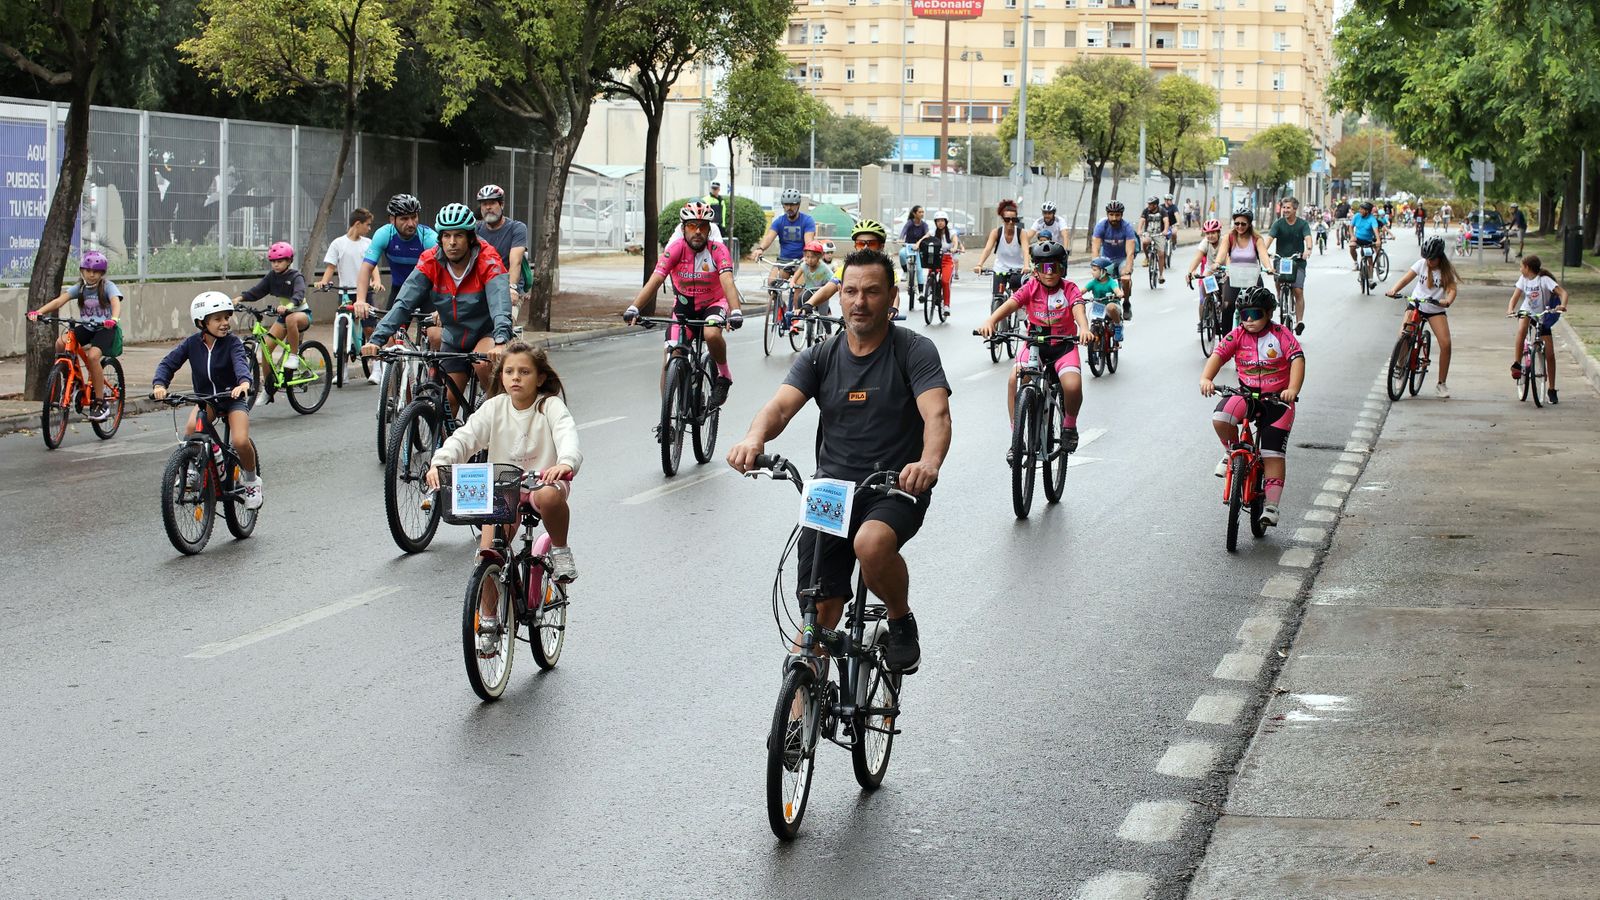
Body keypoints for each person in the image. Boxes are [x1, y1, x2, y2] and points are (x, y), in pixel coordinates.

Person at [727, 248, 952, 674]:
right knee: (818, 613)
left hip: (895, 486)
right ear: (840, 295)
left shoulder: (914, 351)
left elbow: (936, 414)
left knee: (870, 544)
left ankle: (901, 619)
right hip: (831, 491)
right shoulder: (820, 356)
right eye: (850, 291)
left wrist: (928, 463)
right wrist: (754, 437)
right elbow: (779, 408)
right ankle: (797, 728)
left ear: (891, 297)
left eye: (871, 291)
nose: (859, 301)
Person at [425, 341, 581, 651]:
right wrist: (440, 461)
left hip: (543, 481)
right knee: (488, 552)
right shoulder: (494, 407)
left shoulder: (549, 406)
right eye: (509, 371)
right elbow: (465, 438)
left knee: (550, 499)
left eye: (524, 372)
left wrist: (565, 463)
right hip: (502, 488)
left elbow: (567, 435)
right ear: (501, 375)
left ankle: (561, 550)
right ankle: (489, 621)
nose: (516, 378)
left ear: (539, 377)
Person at [361, 203, 515, 399]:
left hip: (486, 332)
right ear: (440, 238)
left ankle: (496, 411)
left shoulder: (488, 259)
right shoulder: (430, 260)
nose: (452, 242)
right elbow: (404, 303)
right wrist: (377, 338)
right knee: (448, 404)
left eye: (458, 235)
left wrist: (501, 341)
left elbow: (500, 303)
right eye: (446, 236)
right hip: (454, 336)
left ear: (470, 238)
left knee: (483, 364)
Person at [1199, 285, 1305, 528]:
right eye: (1244, 315)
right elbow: (1218, 355)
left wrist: (1293, 390)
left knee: (1272, 453)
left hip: (1278, 401)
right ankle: (1230, 452)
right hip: (1246, 395)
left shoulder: (1281, 334)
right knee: (1221, 417)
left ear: (1268, 313)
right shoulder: (1237, 334)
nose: (1248, 320)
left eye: (1255, 314)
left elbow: (1297, 359)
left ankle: (1271, 506)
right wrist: (1206, 379)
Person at [623, 201, 744, 407]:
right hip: (684, 306)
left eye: (703, 226)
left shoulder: (718, 250)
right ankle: (668, 417)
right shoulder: (675, 249)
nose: (697, 231)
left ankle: (724, 376)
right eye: (691, 226)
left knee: (711, 333)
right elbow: (656, 279)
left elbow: (727, 281)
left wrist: (736, 312)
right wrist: (634, 308)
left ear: (709, 229)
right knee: (671, 354)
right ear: (683, 228)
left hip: (713, 303)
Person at [977, 239, 1091, 453]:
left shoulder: (1069, 289)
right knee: (1014, 379)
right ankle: (1016, 438)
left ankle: (1069, 426)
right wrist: (990, 321)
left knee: (1073, 386)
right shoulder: (1031, 287)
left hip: (1063, 346)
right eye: (1042, 267)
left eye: (1054, 267)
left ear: (1062, 268)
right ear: (1036, 270)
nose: (1048, 273)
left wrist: (1084, 328)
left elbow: (1078, 308)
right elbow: (1012, 303)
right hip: (1035, 346)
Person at [151, 291, 261, 509]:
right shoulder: (191, 344)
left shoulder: (233, 343)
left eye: (227, 318)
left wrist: (244, 383)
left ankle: (251, 481)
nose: (224, 323)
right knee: (193, 429)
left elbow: (240, 364)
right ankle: (191, 470)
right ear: (202, 322)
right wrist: (159, 385)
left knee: (239, 441)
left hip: (232, 397)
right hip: (207, 400)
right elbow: (168, 363)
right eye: (218, 319)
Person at [27, 250, 121, 420]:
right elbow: (59, 301)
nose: (92, 275)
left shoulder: (108, 286)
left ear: (102, 273)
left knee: (93, 357)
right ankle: (72, 378)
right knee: (61, 343)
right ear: (82, 271)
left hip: (105, 328)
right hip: (87, 326)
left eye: (96, 272)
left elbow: (115, 302)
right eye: (88, 270)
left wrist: (113, 318)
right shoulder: (80, 288)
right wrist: (38, 312)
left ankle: (100, 403)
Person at [357, 193, 441, 350]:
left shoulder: (428, 238)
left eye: (414, 217)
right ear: (392, 219)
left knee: (435, 336)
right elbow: (366, 268)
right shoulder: (384, 235)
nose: (411, 223)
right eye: (404, 218)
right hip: (401, 290)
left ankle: (434, 373)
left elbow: (446, 271)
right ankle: (394, 372)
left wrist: (443, 307)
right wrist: (361, 300)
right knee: (389, 339)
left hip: (429, 292)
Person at [1384, 236, 1458, 399]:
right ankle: (1400, 370)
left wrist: (1447, 301)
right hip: (1416, 304)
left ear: (1440, 257)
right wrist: (1394, 290)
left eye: (1432, 259)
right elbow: (1405, 279)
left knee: (1446, 344)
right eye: (1427, 258)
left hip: (1435, 308)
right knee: (1403, 336)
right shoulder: (1421, 264)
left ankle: (1441, 384)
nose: (1429, 262)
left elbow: (1452, 290)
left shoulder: (1446, 271)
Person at [316, 208, 385, 382]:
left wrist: (376, 281)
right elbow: (331, 267)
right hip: (345, 293)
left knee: (370, 328)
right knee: (342, 329)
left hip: (363, 293)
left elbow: (373, 266)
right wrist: (324, 282)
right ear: (357, 224)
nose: (369, 228)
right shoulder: (338, 244)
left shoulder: (368, 243)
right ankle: (342, 370)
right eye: (367, 225)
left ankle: (377, 367)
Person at [234, 241, 309, 386]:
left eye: (280, 261)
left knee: (291, 319)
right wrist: (240, 298)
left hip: (301, 313)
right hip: (284, 316)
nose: (276, 264)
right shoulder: (272, 277)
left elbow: (299, 294)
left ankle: (294, 355)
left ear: (289, 261)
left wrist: (289, 305)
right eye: (273, 261)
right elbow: (258, 290)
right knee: (266, 348)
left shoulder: (296, 276)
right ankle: (269, 386)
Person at [1505, 254, 1570, 404]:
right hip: (1527, 311)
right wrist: (1510, 309)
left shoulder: (1544, 280)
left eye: (1521, 266)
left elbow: (1563, 293)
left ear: (1527, 268)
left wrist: (1562, 306)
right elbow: (1515, 296)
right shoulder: (1523, 279)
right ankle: (1517, 363)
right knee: (1521, 329)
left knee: (1550, 354)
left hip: (1543, 315)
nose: (1520, 269)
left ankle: (1552, 389)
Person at [1214, 207, 1271, 326]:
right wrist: (1217, 263)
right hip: (1234, 277)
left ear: (1249, 224)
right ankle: (1226, 341)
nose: (1239, 226)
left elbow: (1263, 255)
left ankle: (1260, 337)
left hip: (1253, 277)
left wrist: (1269, 267)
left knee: (1259, 307)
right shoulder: (1228, 238)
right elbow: (1222, 253)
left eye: (1243, 224)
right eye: (1237, 223)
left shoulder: (1257, 239)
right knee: (1227, 306)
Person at [475, 184, 529, 307]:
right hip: (482, 289)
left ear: (502, 205)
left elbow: (515, 263)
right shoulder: (475, 230)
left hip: (508, 287)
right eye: (484, 204)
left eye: (492, 203)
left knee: (505, 322)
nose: (488, 207)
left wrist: (511, 288)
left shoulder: (517, 228)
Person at [749, 188, 816, 284]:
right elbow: (769, 237)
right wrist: (760, 249)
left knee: (798, 289)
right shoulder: (779, 221)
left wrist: (807, 256)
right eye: (786, 204)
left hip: (801, 261)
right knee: (771, 283)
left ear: (798, 205)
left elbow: (809, 242)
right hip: (783, 261)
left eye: (792, 204)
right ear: (783, 205)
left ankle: (795, 298)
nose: (789, 208)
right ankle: (775, 299)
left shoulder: (807, 220)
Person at [1266, 196, 1313, 334]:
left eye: (1288, 208)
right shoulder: (1278, 224)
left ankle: (1299, 322)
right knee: (1278, 279)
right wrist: (1263, 251)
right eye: (1284, 207)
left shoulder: (1303, 224)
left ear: (1295, 209)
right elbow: (1268, 239)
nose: (1285, 210)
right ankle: (1280, 295)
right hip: (1281, 260)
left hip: (1297, 262)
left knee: (1298, 290)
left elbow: (1308, 238)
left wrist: (1308, 250)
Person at [972, 199, 1028, 308]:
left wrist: (1026, 266)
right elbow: (988, 249)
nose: (1011, 222)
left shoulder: (1021, 233)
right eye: (1007, 219)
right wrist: (980, 264)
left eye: (1014, 219)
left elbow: (1026, 250)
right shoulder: (996, 232)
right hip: (1000, 269)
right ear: (1002, 220)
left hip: (1018, 269)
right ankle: (996, 317)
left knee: (1018, 295)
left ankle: (1020, 308)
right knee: (997, 295)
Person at [1091, 200, 1140, 312]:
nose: (1114, 218)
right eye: (1111, 215)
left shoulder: (1126, 227)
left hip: (1122, 258)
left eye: (1117, 215)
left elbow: (1130, 252)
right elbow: (1095, 248)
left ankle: (1126, 302)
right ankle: (1098, 313)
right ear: (1107, 214)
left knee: (1125, 279)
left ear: (1121, 215)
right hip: (1107, 259)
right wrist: (1095, 267)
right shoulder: (1101, 226)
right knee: (1099, 281)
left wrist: (1127, 271)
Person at [916, 211, 961, 315]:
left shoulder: (951, 232)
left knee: (945, 281)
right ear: (935, 222)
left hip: (946, 260)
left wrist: (954, 248)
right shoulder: (932, 232)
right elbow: (923, 239)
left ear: (946, 221)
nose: (940, 223)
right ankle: (930, 287)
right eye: (938, 221)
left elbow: (955, 242)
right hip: (935, 258)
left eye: (942, 220)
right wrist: (918, 244)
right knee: (931, 273)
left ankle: (946, 305)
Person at [1185, 218, 1225, 327]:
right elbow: (1197, 258)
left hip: (1224, 271)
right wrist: (1190, 272)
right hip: (1210, 271)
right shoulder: (1205, 242)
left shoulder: (1224, 241)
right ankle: (1203, 320)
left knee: (1225, 299)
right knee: (1204, 295)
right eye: (1208, 233)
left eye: (1213, 232)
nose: (1210, 236)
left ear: (1218, 232)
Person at [789, 241, 835, 332]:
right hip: (809, 291)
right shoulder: (804, 266)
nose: (809, 260)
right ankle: (801, 320)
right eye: (807, 257)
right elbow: (795, 276)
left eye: (813, 257)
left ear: (819, 257)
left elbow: (833, 279)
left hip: (821, 292)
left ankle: (829, 333)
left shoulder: (824, 268)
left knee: (823, 315)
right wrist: (793, 282)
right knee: (801, 297)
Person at [1080, 255, 1125, 343]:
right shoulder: (1093, 283)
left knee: (1110, 306)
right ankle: (1095, 342)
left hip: (1112, 306)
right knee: (1095, 323)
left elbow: (1117, 290)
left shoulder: (1111, 282)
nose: (1092, 272)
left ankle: (1118, 326)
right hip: (1099, 306)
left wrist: (1119, 294)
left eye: (1095, 270)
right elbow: (1082, 291)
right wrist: (1074, 295)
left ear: (1104, 271)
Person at [1348, 201, 1383, 286]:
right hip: (1357, 239)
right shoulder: (1357, 216)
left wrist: (1378, 240)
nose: (1359, 210)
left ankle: (1370, 280)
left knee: (1370, 260)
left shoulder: (1372, 219)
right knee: (1352, 246)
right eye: (1359, 209)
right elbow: (1351, 227)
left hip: (1367, 241)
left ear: (1367, 211)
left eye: (1361, 209)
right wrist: (1352, 236)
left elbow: (1375, 230)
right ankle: (1356, 263)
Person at [1136, 197, 1169, 289]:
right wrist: (1139, 230)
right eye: (1148, 204)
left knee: (1161, 254)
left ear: (1155, 205)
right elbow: (1142, 221)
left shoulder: (1162, 211)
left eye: (1151, 204)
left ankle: (1161, 275)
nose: (1149, 206)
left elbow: (1166, 221)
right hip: (1149, 233)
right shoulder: (1146, 211)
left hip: (1159, 233)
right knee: (1145, 241)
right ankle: (1147, 257)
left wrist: (1165, 230)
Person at [899, 205, 929, 301]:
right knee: (901, 254)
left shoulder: (924, 225)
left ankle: (920, 293)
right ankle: (905, 271)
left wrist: (921, 242)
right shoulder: (909, 223)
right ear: (914, 213)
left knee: (919, 270)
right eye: (920, 212)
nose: (922, 214)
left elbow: (927, 233)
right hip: (908, 246)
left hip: (919, 249)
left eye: (922, 212)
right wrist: (900, 239)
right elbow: (903, 232)